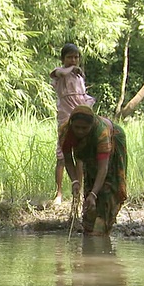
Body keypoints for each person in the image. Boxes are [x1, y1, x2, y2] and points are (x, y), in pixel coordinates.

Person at [59, 105, 127, 235]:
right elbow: (68, 159)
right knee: (90, 175)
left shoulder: (101, 132)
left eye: (84, 128)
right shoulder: (65, 131)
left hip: (114, 140)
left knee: (110, 185)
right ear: (71, 124)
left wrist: (94, 194)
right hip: (92, 155)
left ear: (91, 126)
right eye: (77, 127)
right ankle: (90, 222)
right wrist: (75, 181)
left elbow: (103, 167)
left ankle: (102, 223)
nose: (80, 131)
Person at [50, 43, 95, 205]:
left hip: (80, 119)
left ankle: (78, 192)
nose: (73, 60)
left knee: (80, 156)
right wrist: (72, 68)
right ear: (63, 59)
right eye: (69, 57)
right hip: (65, 118)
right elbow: (59, 72)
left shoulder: (79, 76)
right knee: (62, 156)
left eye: (76, 57)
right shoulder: (59, 73)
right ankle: (59, 193)